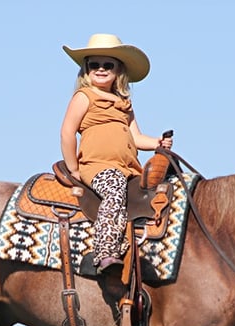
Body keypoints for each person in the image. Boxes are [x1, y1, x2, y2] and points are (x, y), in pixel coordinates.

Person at [60, 33, 173, 273]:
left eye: (107, 65)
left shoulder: (123, 103)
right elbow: (67, 132)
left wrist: (157, 143)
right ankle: (105, 251)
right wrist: (73, 168)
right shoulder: (84, 97)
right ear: (86, 70)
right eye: (94, 65)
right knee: (113, 190)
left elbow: (136, 137)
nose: (100, 69)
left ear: (118, 70)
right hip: (98, 165)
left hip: (128, 168)